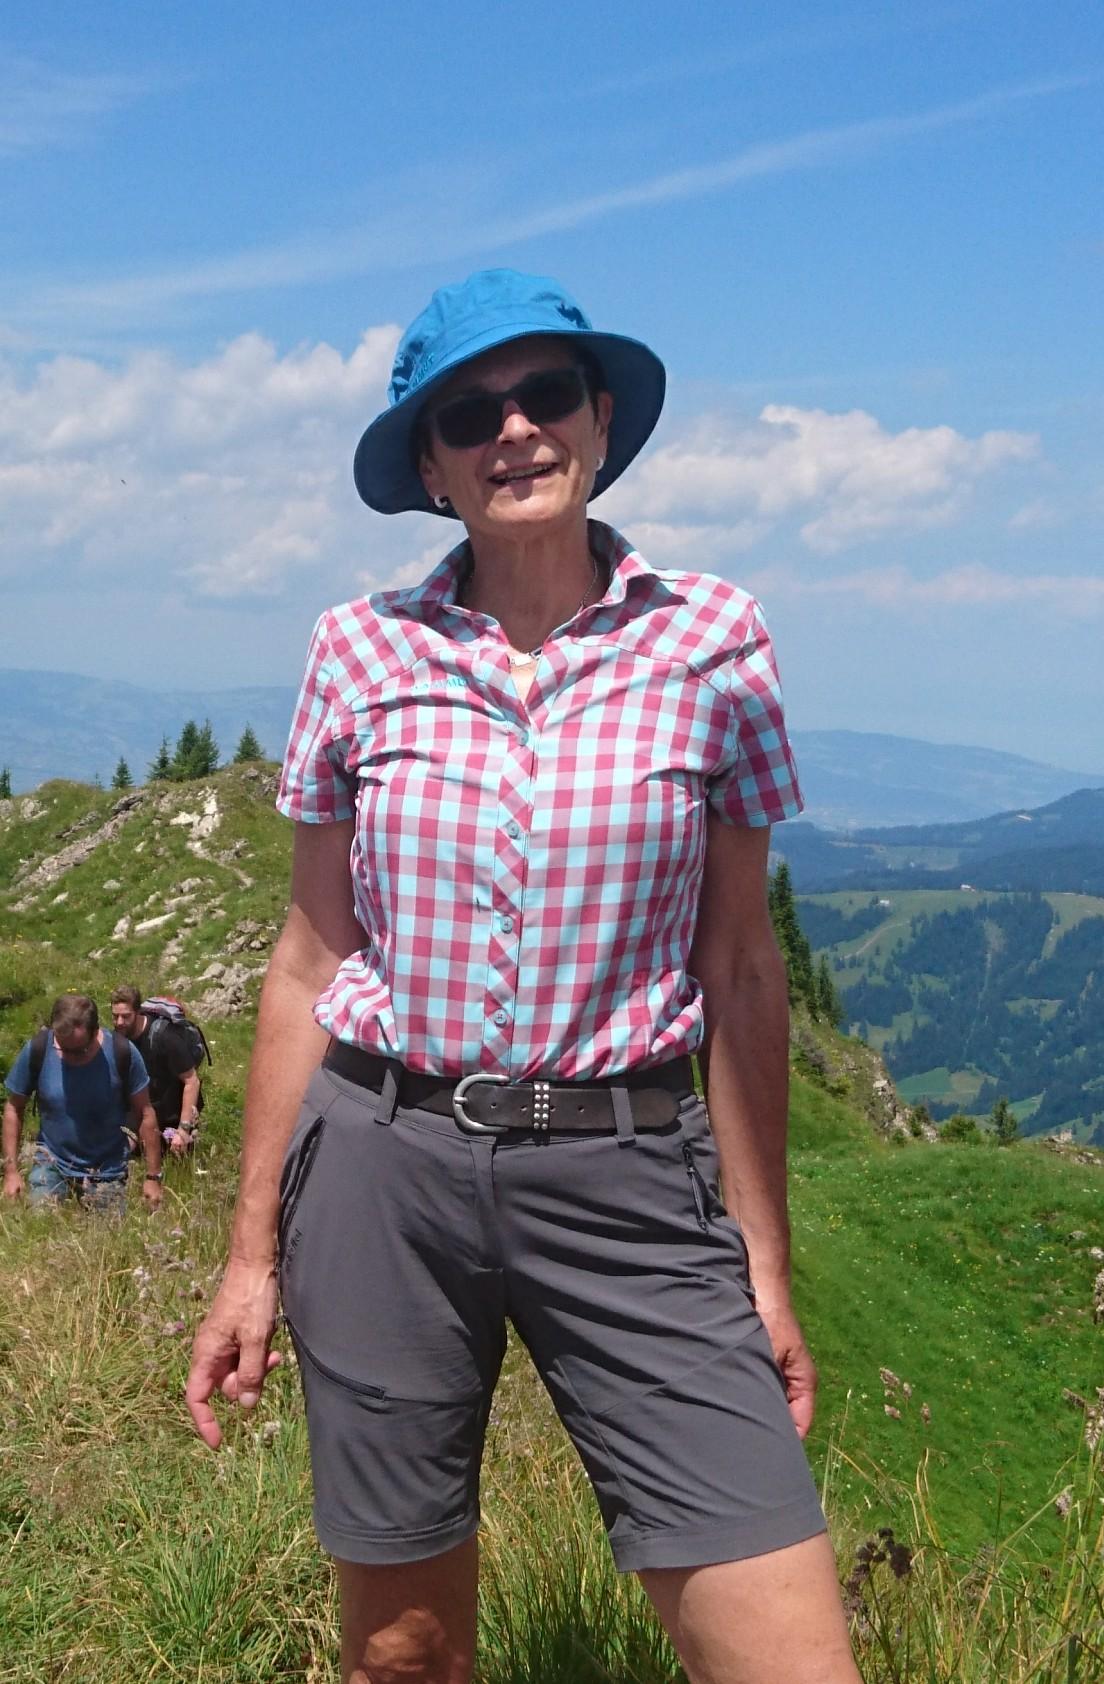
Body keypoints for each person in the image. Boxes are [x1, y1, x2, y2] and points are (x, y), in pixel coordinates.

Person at [186, 269, 862, 1684]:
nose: (513, 430)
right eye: (468, 414)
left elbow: (741, 969)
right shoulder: (358, 650)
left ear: (600, 421)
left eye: (545, 393)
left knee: (791, 1659)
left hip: (632, 1169)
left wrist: (763, 1261)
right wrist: (249, 1261)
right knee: (403, 1653)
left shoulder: (714, 641)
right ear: (431, 468)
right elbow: (309, 961)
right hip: (382, 1163)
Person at [3, 992, 162, 1211]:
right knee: (40, 1226)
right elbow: (14, 1107)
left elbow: (145, 1113)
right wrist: (11, 1171)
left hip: (107, 1170)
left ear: (95, 1032)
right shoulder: (39, 1049)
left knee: (107, 1233)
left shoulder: (122, 1053)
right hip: (51, 1164)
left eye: (79, 1051)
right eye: (63, 1048)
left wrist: (153, 1177)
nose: (70, 1057)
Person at [110, 986, 202, 1156]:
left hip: (170, 1112)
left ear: (138, 1012)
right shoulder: (118, 1039)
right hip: (142, 1106)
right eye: (115, 1016)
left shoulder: (165, 1037)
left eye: (126, 1016)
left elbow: (192, 1081)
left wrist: (183, 1130)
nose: (120, 1022)